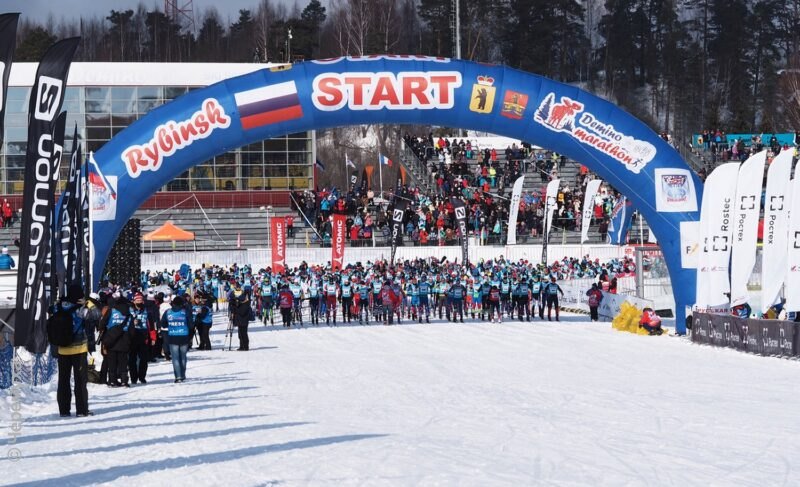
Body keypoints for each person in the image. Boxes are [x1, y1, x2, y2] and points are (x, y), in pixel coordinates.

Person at [54, 284, 92, 417]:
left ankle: (64, 410)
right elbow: (94, 315)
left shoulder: (58, 306)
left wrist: (61, 301)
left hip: (62, 349)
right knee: (80, 381)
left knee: (63, 380)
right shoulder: (81, 309)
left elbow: (49, 310)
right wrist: (88, 302)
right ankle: (81, 410)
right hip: (79, 348)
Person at [100, 296, 134, 387]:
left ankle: (112, 381)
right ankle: (124, 381)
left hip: (111, 340)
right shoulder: (129, 315)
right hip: (124, 341)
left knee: (112, 362)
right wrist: (129, 341)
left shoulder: (111, 311)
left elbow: (102, 324)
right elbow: (132, 331)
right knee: (123, 362)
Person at [160, 296, 194, 382]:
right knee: (183, 357)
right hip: (184, 336)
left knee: (175, 358)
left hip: (173, 337)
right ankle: (182, 374)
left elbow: (163, 324)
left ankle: (178, 376)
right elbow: (191, 325)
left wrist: (171, 325)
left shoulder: (168, 312)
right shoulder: (185, 312)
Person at [128, 292, 151, 384]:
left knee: (143, 358)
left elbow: (151, 324)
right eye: (137, 300)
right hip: (132, 336)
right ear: (134, 301)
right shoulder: (129, 310)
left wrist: (152, 337)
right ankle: (133, 377)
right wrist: (132, 323)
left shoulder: (146, 310)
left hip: (143, 335)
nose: (139, 302)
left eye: (140, 300)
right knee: (132, 358)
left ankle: (142, 377)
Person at [231, 284, 251, 350]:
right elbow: (233, 306)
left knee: (243, 333)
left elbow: (242, 311)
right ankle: (242, 346)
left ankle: (245, 346)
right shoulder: (240, 301)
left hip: (244, 319)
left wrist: (236, 308)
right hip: (239, 319)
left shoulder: (246, 303)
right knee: (240, 334)